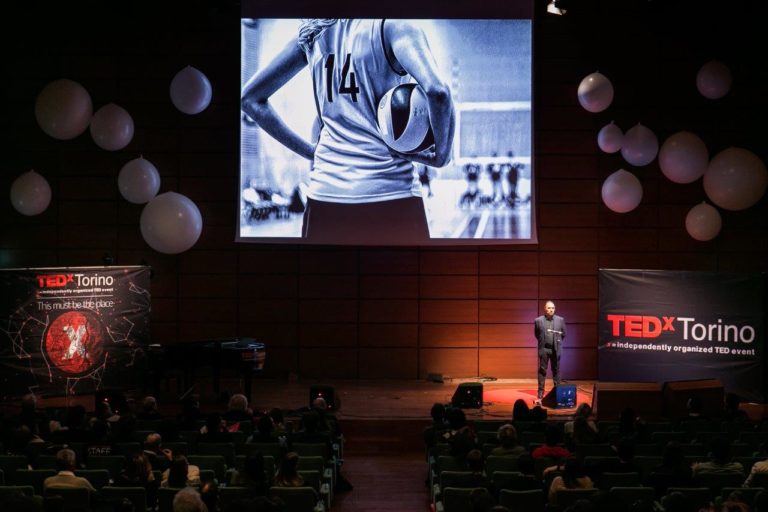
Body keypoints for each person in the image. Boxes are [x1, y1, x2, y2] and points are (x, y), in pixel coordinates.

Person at [241, 19, 455, 244]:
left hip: (325, 199)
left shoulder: (312, 34)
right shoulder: (395, 27)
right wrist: (442, 155)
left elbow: (250, 99)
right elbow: (438, 92)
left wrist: (312, 152)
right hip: (391, 195)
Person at [534, 300, 566, 401]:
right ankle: (540, 392)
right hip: (544, 349)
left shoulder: (560, 320)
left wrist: (557, 343)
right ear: (545, 309)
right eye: (549, 308)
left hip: (555, 350)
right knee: (542, 371)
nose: (551, 310)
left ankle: (558, 391)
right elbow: (537, 334)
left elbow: (563, 334)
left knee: (556, 371)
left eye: (552, 308)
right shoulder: (538, 320)